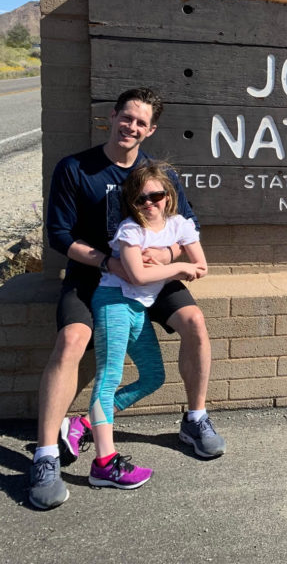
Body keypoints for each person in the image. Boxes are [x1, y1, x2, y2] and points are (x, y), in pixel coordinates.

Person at [29, 87, 225, 511]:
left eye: (141, 122)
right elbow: (60, 236)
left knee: (195, 323)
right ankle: (45, 455)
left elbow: (188, 227)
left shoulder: (160, 176)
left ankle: (194, 419)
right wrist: (108, 263)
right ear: (113, 116)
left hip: (151, 278)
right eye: (127, 117)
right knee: (72, 341)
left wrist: (167, 255)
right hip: (95, 280)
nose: (131, 126)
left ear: (150, 129)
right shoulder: (75, 169)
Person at [88, 162, 207, 489]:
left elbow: (201, 266)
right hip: (113, 300)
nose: (150, 203)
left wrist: (169, 257)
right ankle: (104, 463)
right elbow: (137, 275)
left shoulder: (180, 225)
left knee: (154, 376)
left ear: (168, 196)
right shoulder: (129, 231)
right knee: (110, 375)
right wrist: (177, 266)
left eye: (156, 196)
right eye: (141, 199)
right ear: (132, 203)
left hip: (138, 306)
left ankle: (87, 423)